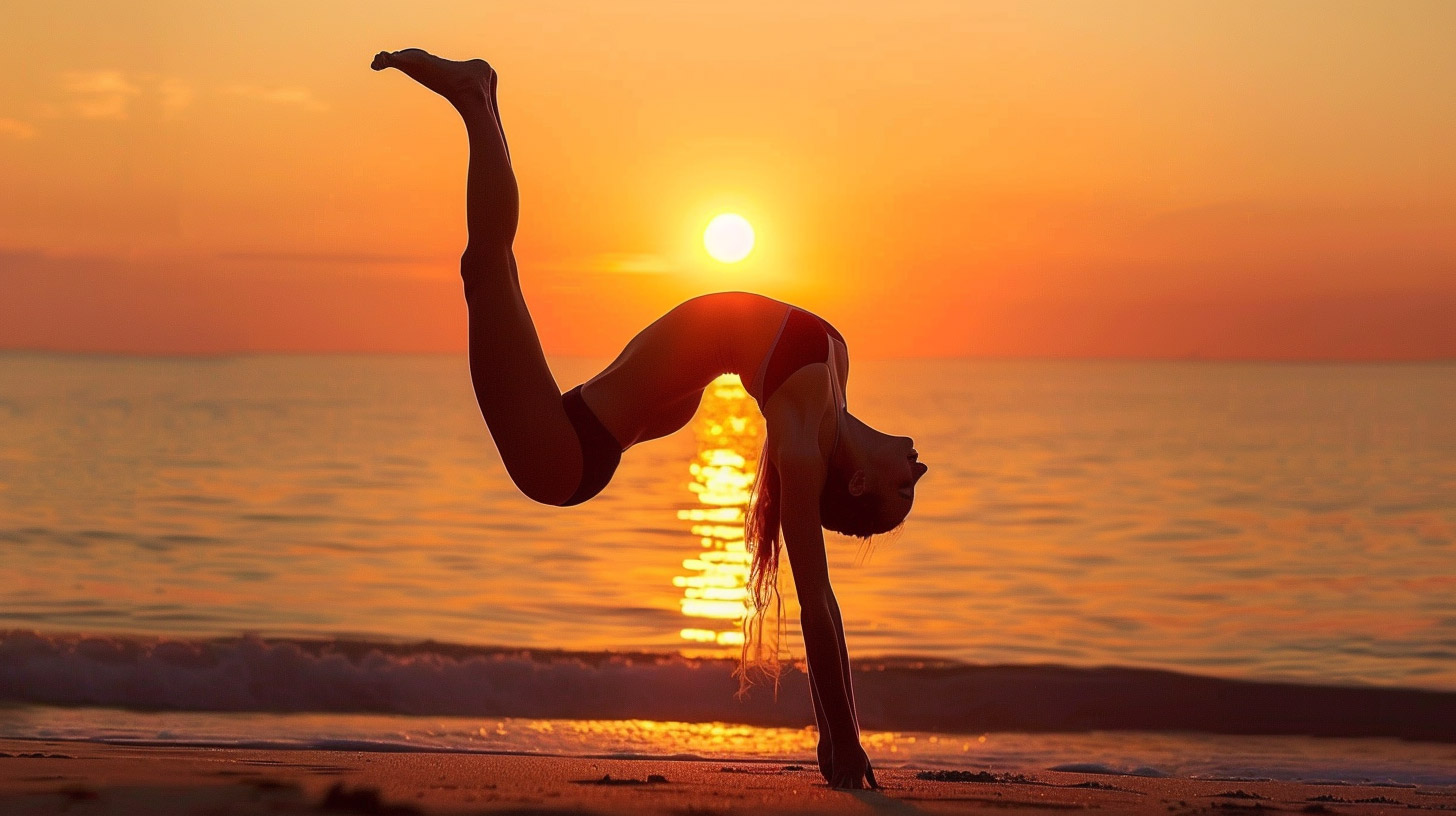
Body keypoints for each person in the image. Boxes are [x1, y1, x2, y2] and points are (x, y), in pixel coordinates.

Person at [372, 48, 928, 790]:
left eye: (902, 495)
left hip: (564, 459)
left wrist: (842, 740)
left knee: (487, 265)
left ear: (857, 483)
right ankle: (481, 100)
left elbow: (818, 606)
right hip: (595, 425)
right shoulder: (834, 375)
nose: (917, 474)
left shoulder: (801, 440)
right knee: (492, 269)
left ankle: (477, 101)